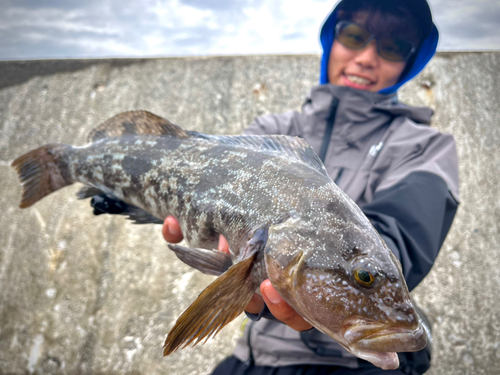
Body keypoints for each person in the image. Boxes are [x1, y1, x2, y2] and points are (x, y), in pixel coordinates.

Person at [93, 0, 459, 373]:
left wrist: (316, 283)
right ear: (331, 38)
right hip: (253, 359)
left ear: (411, 61)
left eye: (392, 47)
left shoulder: (427, 148)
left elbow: (397, 242)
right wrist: (125, 199)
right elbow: (202, 196)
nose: (366, 57)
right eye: (354, 35)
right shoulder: (271, 130)